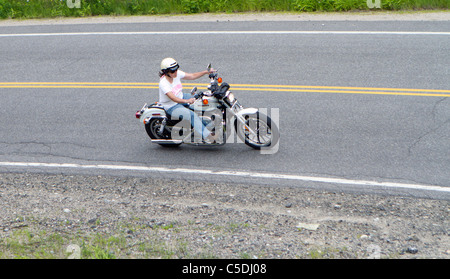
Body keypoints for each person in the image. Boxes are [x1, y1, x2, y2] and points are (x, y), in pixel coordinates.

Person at [158, 57, 217, 143]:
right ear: (165, 72)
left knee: (203, 100)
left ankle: (209, 124)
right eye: (172, 71)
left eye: (176, 70)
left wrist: (206, 72)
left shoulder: (176, 74)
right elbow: (173, 98)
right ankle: (207, 136)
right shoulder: (163, 83)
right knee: (191, 115)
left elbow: (192, 76)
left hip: (182, 96)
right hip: (171, 105)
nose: (175, 72)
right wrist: (187, 101)